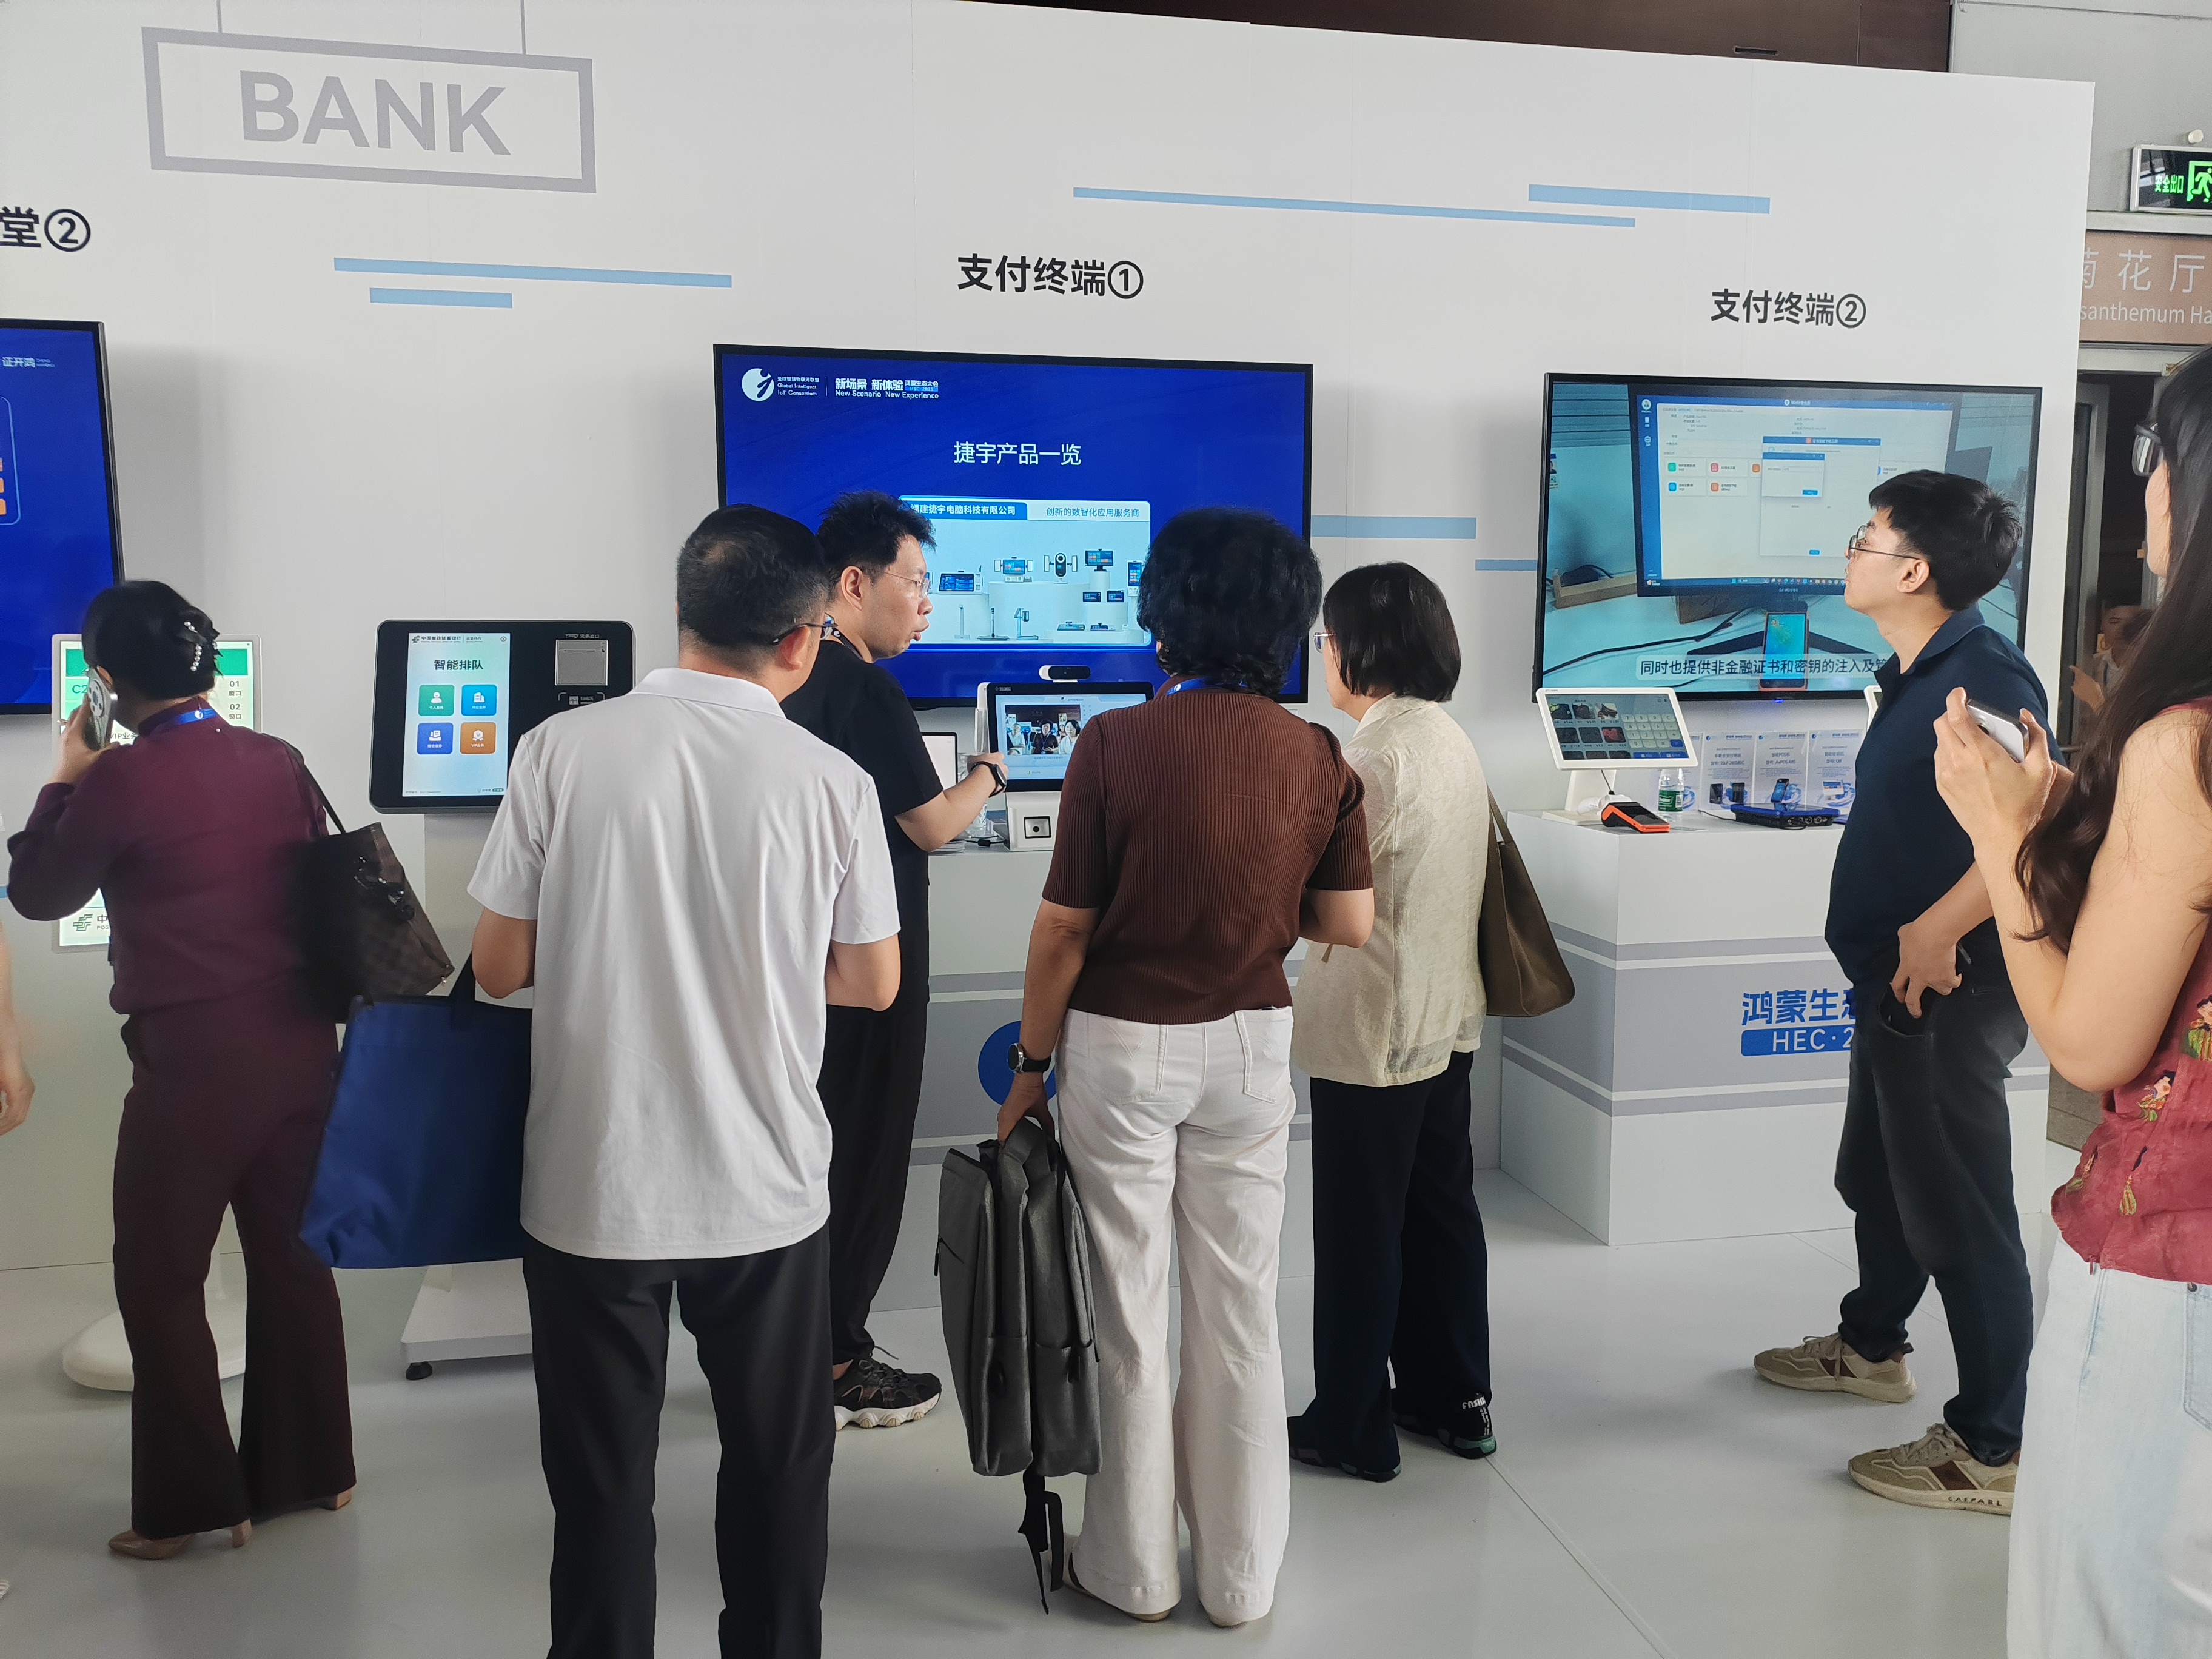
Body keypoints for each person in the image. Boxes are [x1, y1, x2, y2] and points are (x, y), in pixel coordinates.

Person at [468, 506, 901, 1659]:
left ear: (680, 614)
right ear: (804, 639)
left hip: (592, 1181)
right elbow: (872, 983)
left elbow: (499, 966)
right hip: (765, 1186)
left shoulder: (559, 749)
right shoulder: (832, 780)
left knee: (599, 1480)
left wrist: (608, 944)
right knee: (777, 1466)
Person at [997, 508, 1375, 1628]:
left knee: (1129, 1307)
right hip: (1253, 1047)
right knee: (1241, 1310)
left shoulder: (1114, 744)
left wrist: (1030, 1066)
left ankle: (1133, 1571)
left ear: (1164, 618)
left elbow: (1063, 930)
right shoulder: (1318, 754)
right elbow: (1348, 923)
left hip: (1121, 1048)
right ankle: (1241, 1577)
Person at [1932, 348, 2212, 1654]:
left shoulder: (2186, 743)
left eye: (2157, 455)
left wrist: (1999, 838)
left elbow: (2095, 1040)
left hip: (2174, 1272)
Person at [7, 581, 355, 1559]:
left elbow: (38, 891)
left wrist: (65, 775)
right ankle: (316, 1471)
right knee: (295, 1261)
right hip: (304, 1049)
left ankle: (196, 1505)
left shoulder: (120, 779)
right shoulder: (276, 757)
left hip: (196, 1065)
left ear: (104, 682)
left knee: (159, 1278)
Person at [1752, 470, 2045, 1513]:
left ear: (1913, 571)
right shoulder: (1920, 669)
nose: (1851, 550)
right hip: (1897, 980)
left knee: (1958, 1208)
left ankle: (1992, 1447)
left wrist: (1939, 926)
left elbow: (2033, 826)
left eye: (1865, 536)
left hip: (1954, 983)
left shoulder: (1986, 678)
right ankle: (1872, 1345)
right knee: (1878, 1175)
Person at [780, 489, 1007, 1428]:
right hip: (871, 971)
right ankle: (840, 1361)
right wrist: (991, 775)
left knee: (802, 1158)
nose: (926, 603)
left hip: (793, 967)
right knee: (864, 1158)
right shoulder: (865, 689)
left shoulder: (785, 680)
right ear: (852, 583)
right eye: (914, 582)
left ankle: (785, 1352)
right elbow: (931, 825)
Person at [1287, 563, 1493, 1481]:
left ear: (1353, 650)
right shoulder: (1447, 737)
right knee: (1440, 1215)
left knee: (1359, 1232)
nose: (1323, 653)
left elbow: (1329, 899)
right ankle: (1456, 1400)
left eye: (1327, 638)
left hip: (1377, 1028)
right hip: (1446, 1015)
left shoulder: (1372, 761)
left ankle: (1352, 1426)